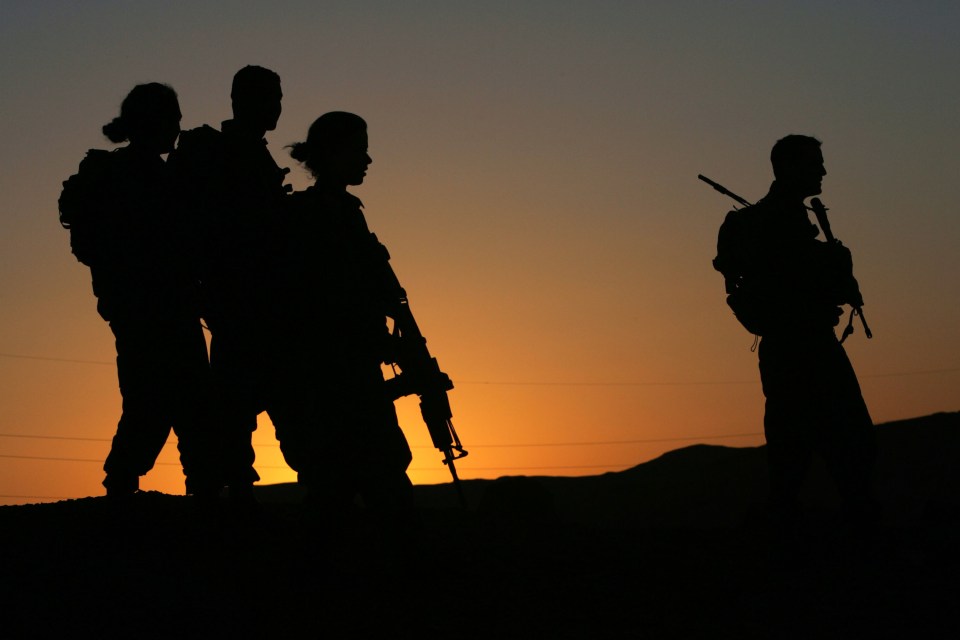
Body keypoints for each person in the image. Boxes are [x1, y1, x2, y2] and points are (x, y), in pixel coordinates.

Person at [59, 83, 217, 498]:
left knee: (175, 405)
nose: (178, 129)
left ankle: (149, 487)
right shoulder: (134, 177)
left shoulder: (143, 174)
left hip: (154, 308)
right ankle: (128, 488)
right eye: (173, 120)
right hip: (152, 309)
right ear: (153, 123)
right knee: (161, 405)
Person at [713, 134, 877, 527]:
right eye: (814, 163)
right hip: (802, 347)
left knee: (799, 444)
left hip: (796, 346)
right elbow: (791, 279)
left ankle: (796, 526)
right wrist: (832, 267)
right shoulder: (775, 222)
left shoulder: (788, 219)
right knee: (836, 440)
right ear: (789, 168)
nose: (822, 170)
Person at [268, 112, 414, 518]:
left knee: (348, 481)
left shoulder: (341, 211)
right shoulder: (319, 215)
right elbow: (327, 302)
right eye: (358, 150)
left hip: (348, 368)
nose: (367, 160)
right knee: (361, 478)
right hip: (333, 373)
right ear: (333, 153)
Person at [167, 66, 289, 503]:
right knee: (236, 411)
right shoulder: (224, 155)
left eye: (279, 97)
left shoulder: (251, 154)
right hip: (237, 303)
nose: (277, 106)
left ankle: (231, 493)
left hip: (257, 304)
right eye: (269, 97)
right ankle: (229, 498)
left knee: (247, 409)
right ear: (241, 101)